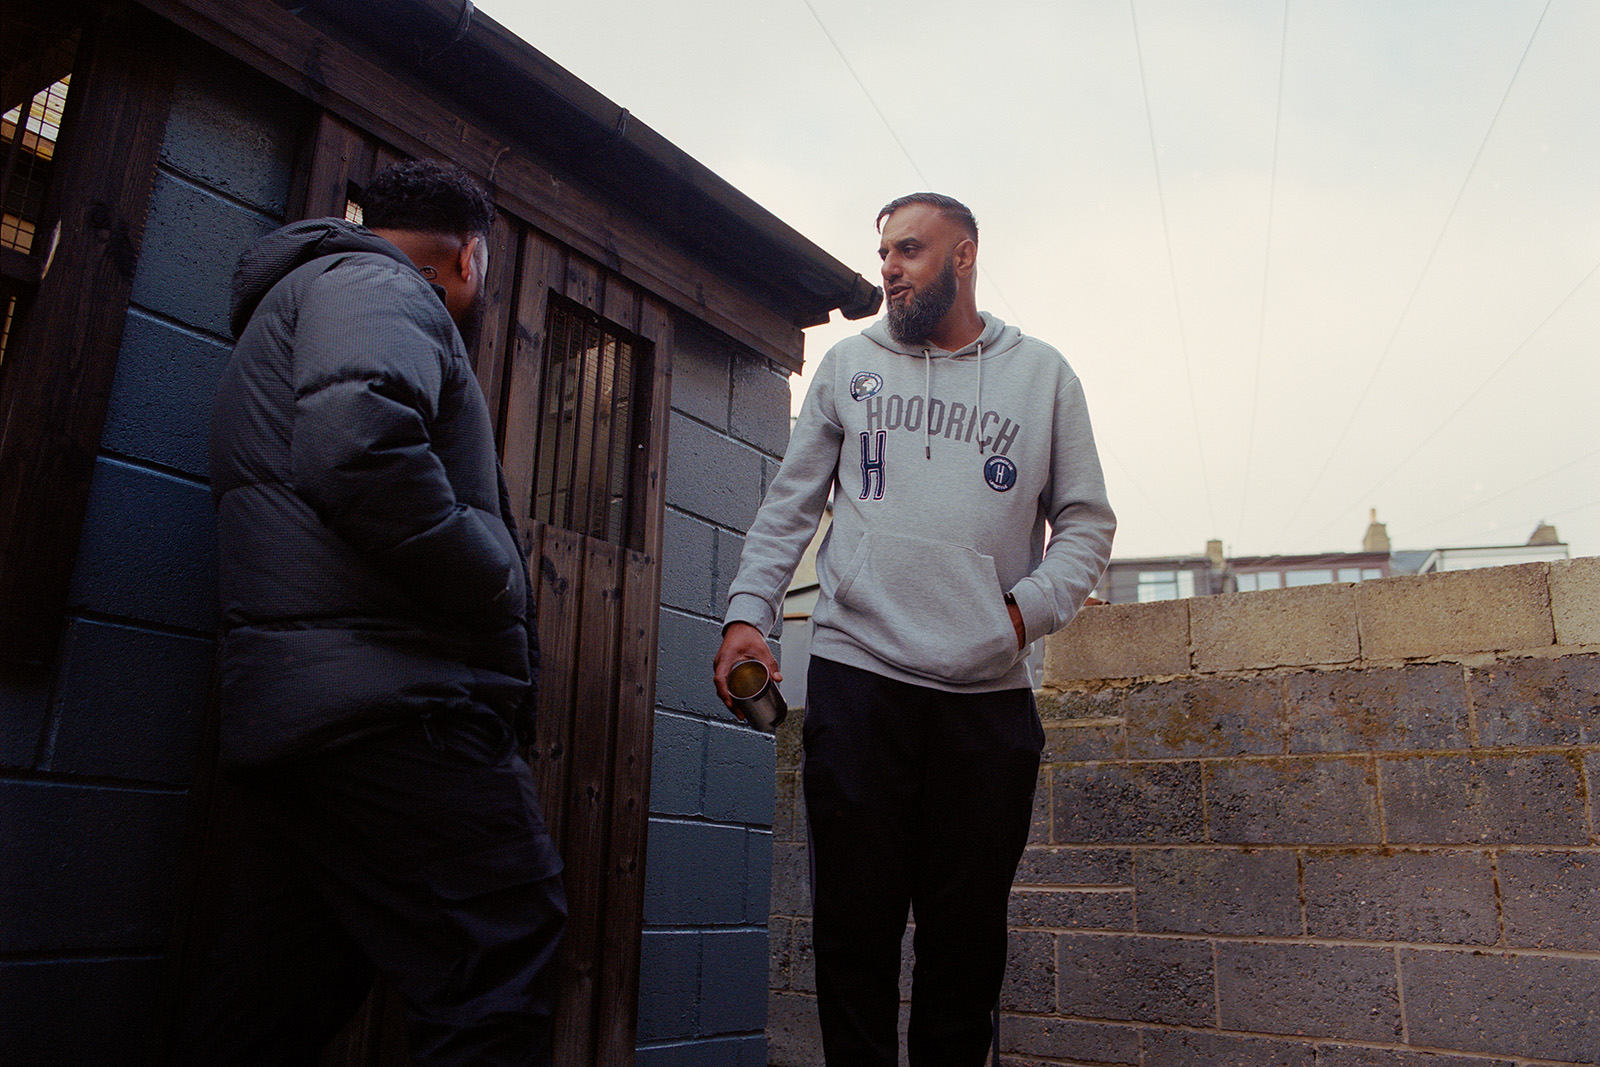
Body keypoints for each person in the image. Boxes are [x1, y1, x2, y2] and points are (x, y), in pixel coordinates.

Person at [175, 160, 565, 1066]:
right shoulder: (377, 285)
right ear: (469, 256)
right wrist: (494, 571)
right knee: (502, 948)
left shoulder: (319, 295)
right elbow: (358, 441)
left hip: (313, 724)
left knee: (273, 1005)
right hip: (392, 715)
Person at [714, 193, 1115, 1066]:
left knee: (963, 958)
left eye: (910, 250)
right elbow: (789, 509)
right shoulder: (848, 366)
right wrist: (748, 614)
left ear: (963, 257)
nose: (889, 267)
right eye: (885, 251)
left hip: (986, 703)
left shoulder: (1043, 376)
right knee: (852, 946)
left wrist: (1020, 614)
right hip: (860, 685)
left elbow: (1087, 523)